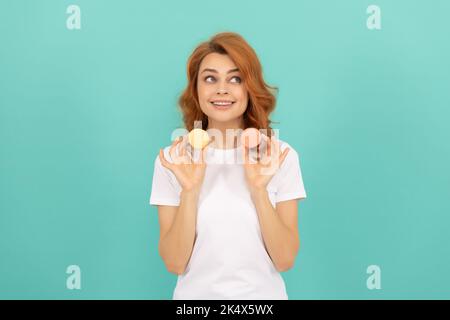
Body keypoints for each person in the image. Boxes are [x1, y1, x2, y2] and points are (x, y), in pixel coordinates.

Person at [149, 32, 307, 300]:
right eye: (210, 78)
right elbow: (175, 263)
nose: (222, 89)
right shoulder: (173, 160)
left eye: (235, 79)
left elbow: (285, 260)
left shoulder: (279, 157)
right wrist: (190, 191)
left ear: (249, 88)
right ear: (196, 89)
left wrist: (259, 190)